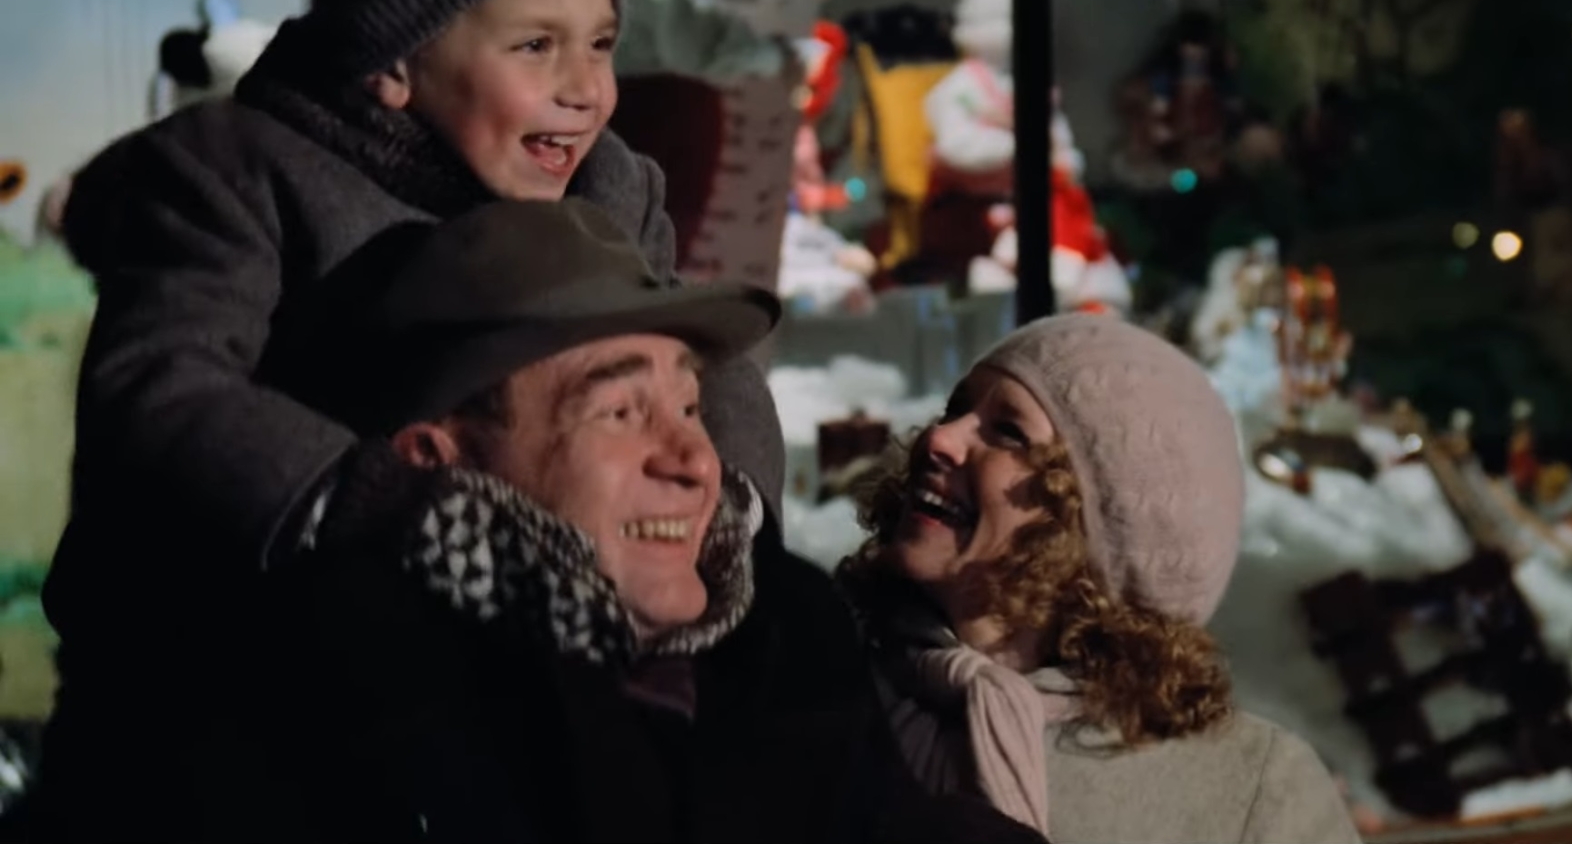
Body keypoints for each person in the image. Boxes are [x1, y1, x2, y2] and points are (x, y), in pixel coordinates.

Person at [34, 0, 783, 834]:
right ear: (394, 62)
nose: (586, 90)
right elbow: (162, 386)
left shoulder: (609, 189)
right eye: (537, 46)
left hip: (500, 693)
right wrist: (388, 507)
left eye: (601, 44)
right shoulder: (241, 172)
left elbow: (704, 352)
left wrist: (733, 517)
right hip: (226, 676)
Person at [246, 198, 1045, 841]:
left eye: (690, 407)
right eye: (621, 411)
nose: (694, 460)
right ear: (436, 460)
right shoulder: (332, 696)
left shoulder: (785, 630)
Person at [837, 313, 1362, 844]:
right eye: (957, 409)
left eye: (1008, 432)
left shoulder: (1250, 790)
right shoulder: (821, 698)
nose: (939, 437)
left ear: (1095, 523)